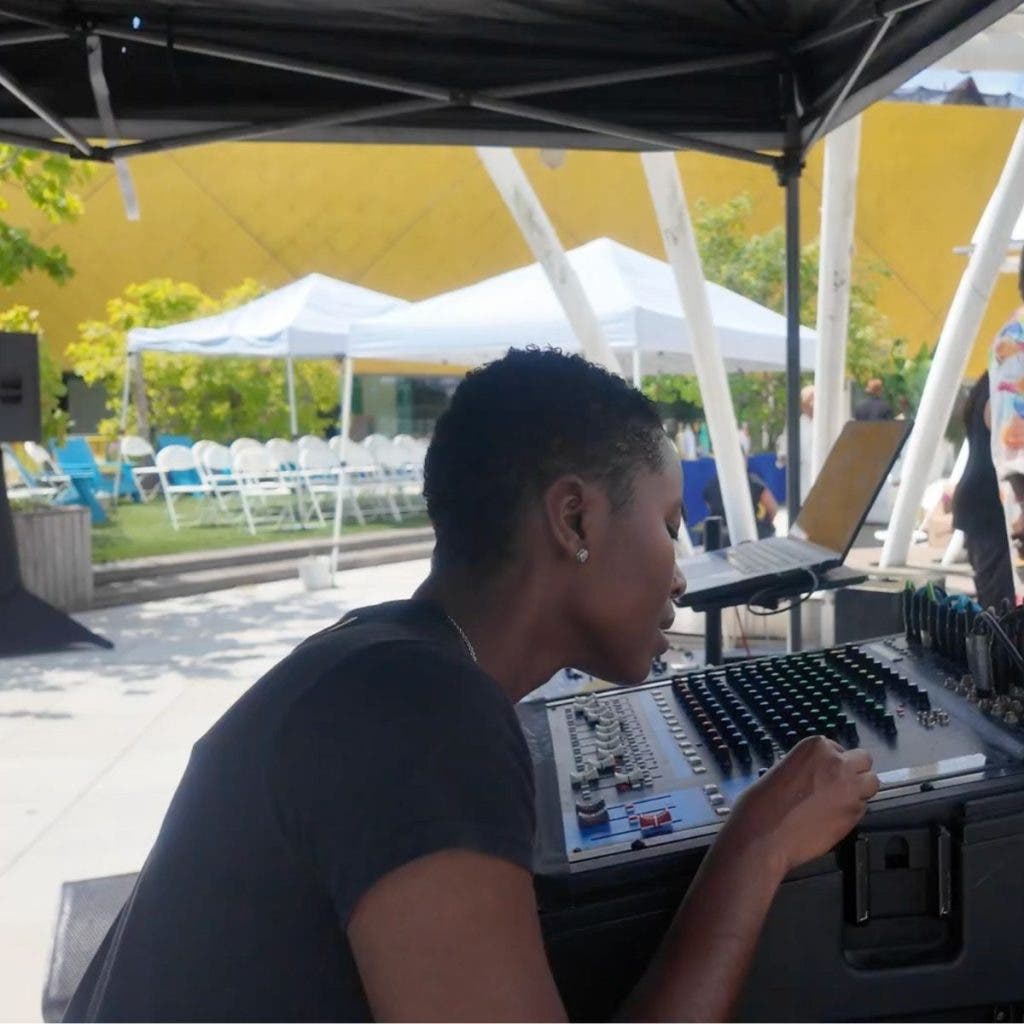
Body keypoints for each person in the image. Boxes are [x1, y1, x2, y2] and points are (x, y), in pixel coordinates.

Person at [67, 349, 878, 1022]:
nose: (679, 572)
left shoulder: (385, 660)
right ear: (575, 520)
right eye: (669, 526)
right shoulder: (421, 720)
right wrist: (757, 845)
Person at [952, 373, 1016, 611]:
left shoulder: (991, 382)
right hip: (992, 507)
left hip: (983, 502)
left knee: (998, 601)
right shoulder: (1005, 387)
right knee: (1002, 607)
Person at [702, 465, 778, 542]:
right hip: (752, 535)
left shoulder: (711, 484)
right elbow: (771, 506)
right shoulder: (752, 480)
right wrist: (766, 523)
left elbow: (709, 506)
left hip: (718, 537)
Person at [776, 384, 815, 504]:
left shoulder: (827, 422)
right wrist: (783, 455)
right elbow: (783, 446)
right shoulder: (795, 425)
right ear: (803, 404)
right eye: (810, 400)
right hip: (802, 478)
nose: (813, 404)